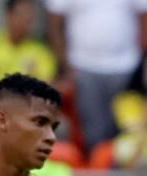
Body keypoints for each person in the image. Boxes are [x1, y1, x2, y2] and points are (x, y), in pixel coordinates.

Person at [46, 0, 147, 151]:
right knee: (93, 132)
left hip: (126, 67)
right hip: (84, 67)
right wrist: (65, 66)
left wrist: (141, 62)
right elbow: (54, 22)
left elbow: (143, 17)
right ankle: (97, 170)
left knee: (128, 130)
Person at [0, 0, 57, 111]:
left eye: (30, 16)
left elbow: (47, 90)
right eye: (23, 14)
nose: (28, 20)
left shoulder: (41, 50)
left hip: (28, 111)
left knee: (60, 126)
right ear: (9, 16)